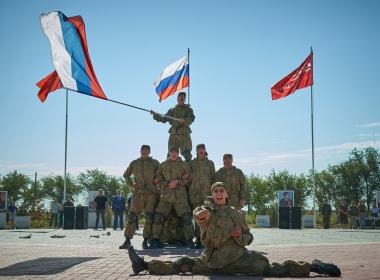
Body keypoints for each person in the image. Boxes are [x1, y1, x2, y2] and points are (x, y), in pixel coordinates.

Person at [128, 182, 341, 277]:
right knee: (183, 264)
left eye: (222, 191)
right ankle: (144, 265)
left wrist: (241, 237)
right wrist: (201, 216)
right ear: (212, 195)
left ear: (227, 194)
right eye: (215, 191)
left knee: (271, 269)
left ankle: (314, 267)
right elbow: (199, 215)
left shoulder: (237, 214)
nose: (219, 193)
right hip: (212, 262)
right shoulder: (206, 209)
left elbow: (249, 237)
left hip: (239, 259)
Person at [150, 146, 195, 249]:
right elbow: (158, 179)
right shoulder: (163, 165)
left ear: (178, 153)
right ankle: (156, 240)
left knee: (186, 218)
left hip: (180, 196)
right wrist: (166, 183)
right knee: (158, 217)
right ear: (169, 153)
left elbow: (189, 178)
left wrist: (178, 182)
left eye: (176, 152)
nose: (174, 154)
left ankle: (190, 240)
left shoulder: (184, 165)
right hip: (166, 195)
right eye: (172, 152)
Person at [119, 145, 160, 249]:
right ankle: (127, 240)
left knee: (149, 217)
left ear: (149, 151)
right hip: (138, 194)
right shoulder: (135, 163)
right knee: (132, 216)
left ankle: (146, 240)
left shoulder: (155, 163)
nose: (144, 152)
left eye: (146, 150)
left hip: (151, 194)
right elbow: (126, 175)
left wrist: (157, 180)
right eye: (143, 150)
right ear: (140, 151)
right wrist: (131, 184)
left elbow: (160, 174)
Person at [151, 92, 195, 162]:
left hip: (184, 134)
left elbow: (191, 120)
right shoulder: (172, 110)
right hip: (174, 134)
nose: (182, 98)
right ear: (177, 99)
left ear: (185, 99)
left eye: (183, 97)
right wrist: (155, 115)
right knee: (171, 154)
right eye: (180, 96)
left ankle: (188, 171)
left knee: (187, 155)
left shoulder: (188, 109)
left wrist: (184, 120)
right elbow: (164, 119)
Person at [189, 143, 215, 248]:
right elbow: (188, 178)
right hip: (195, 194)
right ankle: (198, 239)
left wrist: (213, 194)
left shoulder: (210, 163)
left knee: (207, 217)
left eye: (202, 149)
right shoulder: (192, 163)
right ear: (196, 151)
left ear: (205, 150)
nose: (200, 151)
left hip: (207, 195)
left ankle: (206, 238)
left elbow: (213, 178)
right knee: (197, 216)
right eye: (198, 149)